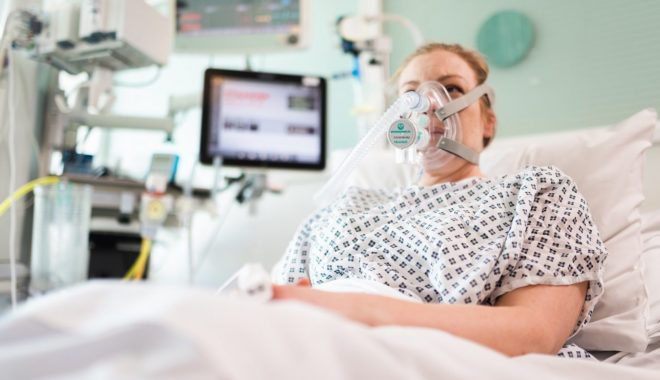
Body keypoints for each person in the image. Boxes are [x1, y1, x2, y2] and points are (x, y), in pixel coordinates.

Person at [271, 43, 606, 359]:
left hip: (426, 358)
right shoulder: (344, 205)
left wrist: (363, 311)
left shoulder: (535, 195)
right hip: (304, 348)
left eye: (453, 89)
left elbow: (534, 334)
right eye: (410, 95)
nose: (428, 103)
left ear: (488, 122)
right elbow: (276, 302)